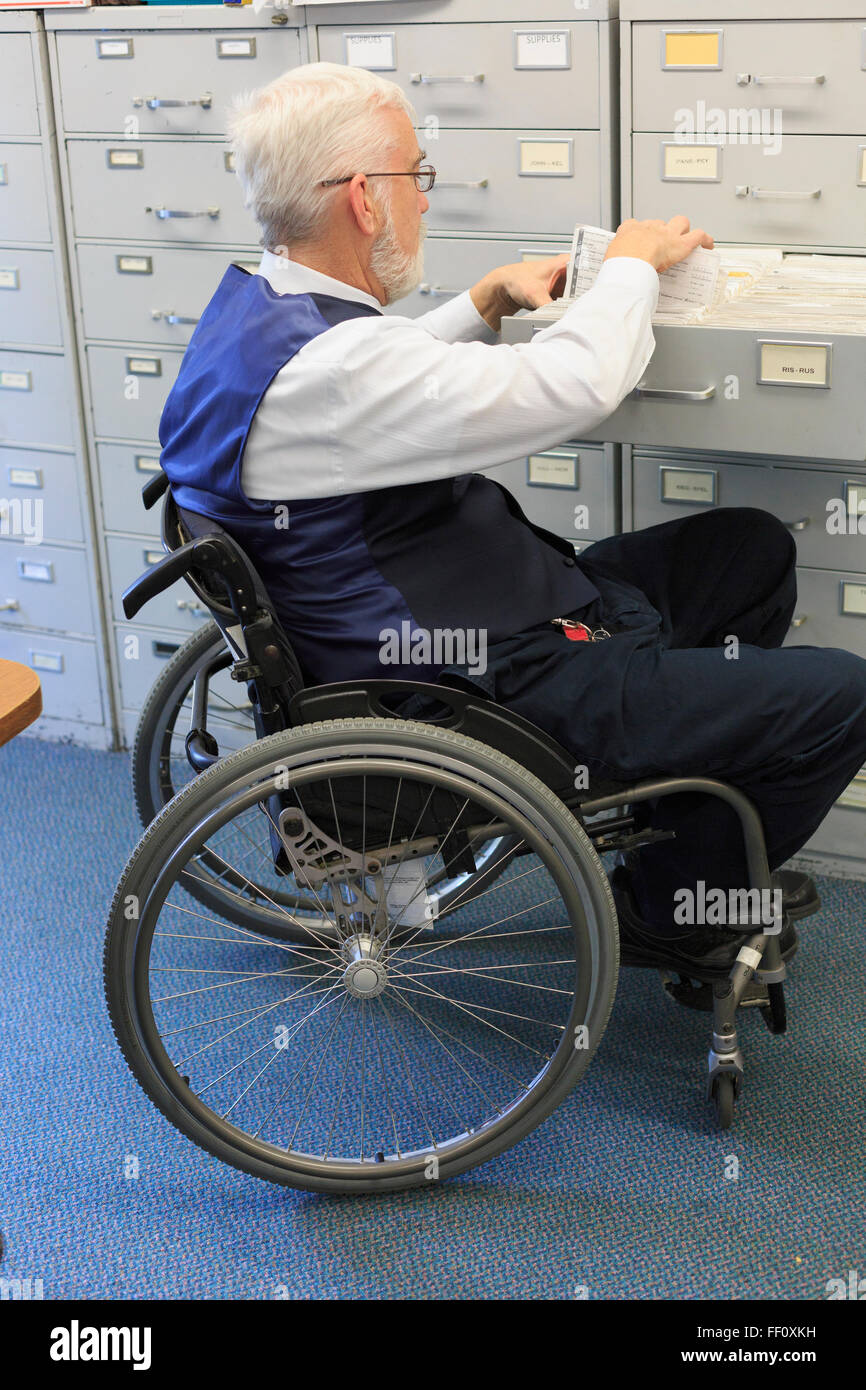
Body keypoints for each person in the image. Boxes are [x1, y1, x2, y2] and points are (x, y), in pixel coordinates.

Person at [158, 62, 866, 981]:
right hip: (490, 688)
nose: (425, 201)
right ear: (367, 201)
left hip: (457, 624)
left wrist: (480, 304)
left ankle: (681, 827)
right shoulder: (340, 370)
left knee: (749, 550)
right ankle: (674, 909)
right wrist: (628, 270)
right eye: (419, 177)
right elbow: (572, 385)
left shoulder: (255, 318)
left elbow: (359, 386)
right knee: (845, 694)